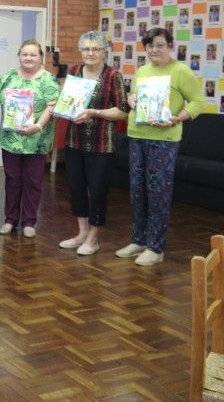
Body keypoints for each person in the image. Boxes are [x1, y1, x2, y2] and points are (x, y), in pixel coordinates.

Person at [116, 28, 205, 265]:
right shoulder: (143, 70)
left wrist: (179, 117)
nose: (154, 50)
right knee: (137, 192)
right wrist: (131, 99)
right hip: (137, 135)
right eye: (150, 46)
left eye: (159, 45)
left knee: (158, 194)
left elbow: (198, 101)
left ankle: (156, 248)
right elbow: (135, 97)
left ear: (170, 46)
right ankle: (138, 240)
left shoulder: (181, 71)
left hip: (164, 139)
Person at [57, 32, 128, 255]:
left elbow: (123, 111)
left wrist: (94, 112)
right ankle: (81, 233)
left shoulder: (113, 75)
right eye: (86, 49)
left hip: (101, 144)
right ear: (81, 50)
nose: (90, 53)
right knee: (76, 188)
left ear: (104, 52)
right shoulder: (74, 71)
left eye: (96, 49)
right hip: (74, 140)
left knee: (97, 190)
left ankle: (94, 239)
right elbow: (68, 102)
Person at [0, 39, 60, 238]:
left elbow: (52, 106)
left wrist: (38, 125)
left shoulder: (48, 79)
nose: (29, 58)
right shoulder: (9, 76)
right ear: (19, 56)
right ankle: (10, 219)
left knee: (33, 182)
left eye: (33, 54)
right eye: (25, 54)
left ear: (40, 57)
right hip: (11, 140)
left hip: (37, 139)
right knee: (12, 180)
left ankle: (29, 221)